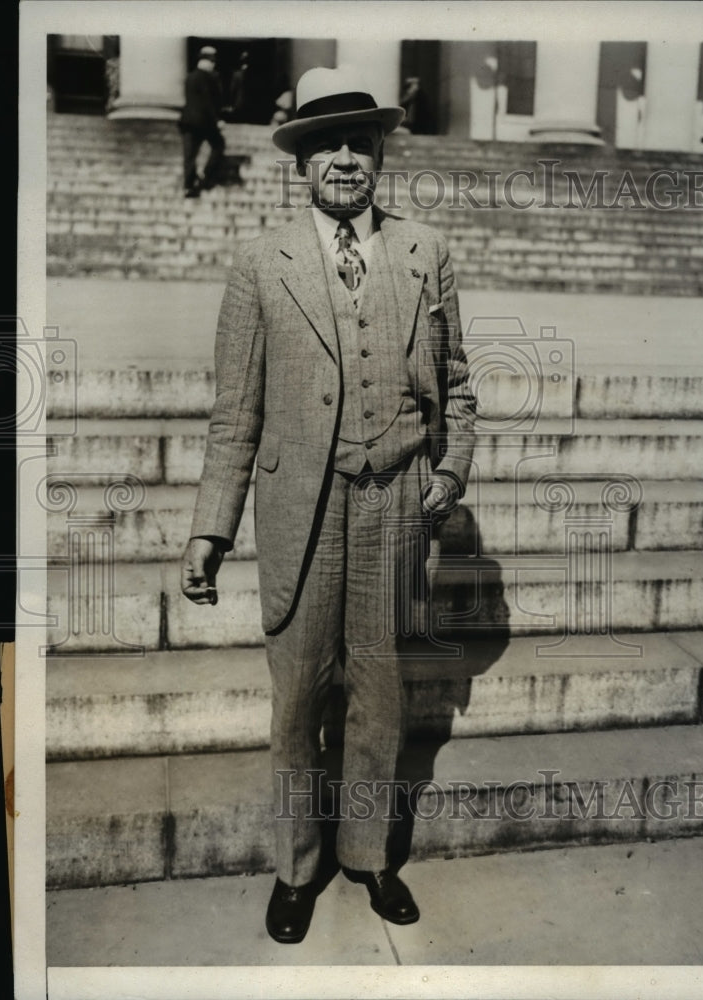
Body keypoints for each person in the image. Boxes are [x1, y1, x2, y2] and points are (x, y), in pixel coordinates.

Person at [180, 65, 476, 944]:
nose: (345, 158)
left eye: (360, 142)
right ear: (298, 162)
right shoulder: (259, 262)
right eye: (325, 145)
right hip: (296, 511)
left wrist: (448, 475)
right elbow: (236, 409)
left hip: (393, 505)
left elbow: (457, 387)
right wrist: (208, 529)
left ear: (380, 152)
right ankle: (296, 869)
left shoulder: (425, 251)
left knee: (380, 698)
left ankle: (368, 857)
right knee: (297, 700)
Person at [179, 45, 225, 197]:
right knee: (219, 145)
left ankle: (188, 186)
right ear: (209, 61)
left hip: (187, 122)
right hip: (204, 123)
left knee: (189, 155)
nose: (214, 64)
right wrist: (217, 120)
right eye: (213, 61)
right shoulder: (208, 78)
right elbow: (207, 101)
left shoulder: (190, 77)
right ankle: (205, 175)